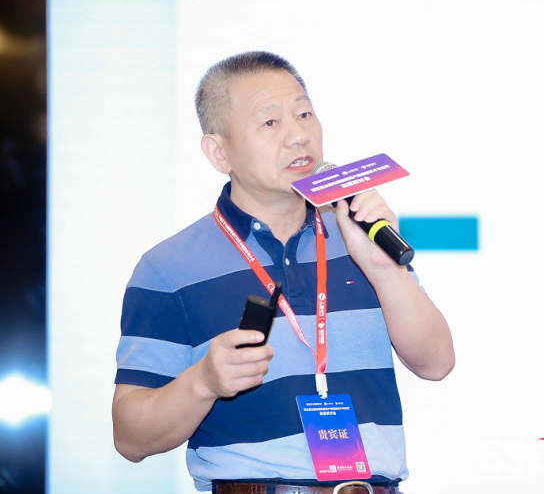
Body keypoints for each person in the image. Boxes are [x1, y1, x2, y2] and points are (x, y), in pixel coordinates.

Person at [111, 51, 455, 494]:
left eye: (304, 114)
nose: (298, 136)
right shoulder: (169, 268)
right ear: (219, 152)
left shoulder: (358, 233)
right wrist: (204, 382)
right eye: (270, 122)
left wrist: (383, 269)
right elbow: (130, 437)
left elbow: (437, 363)